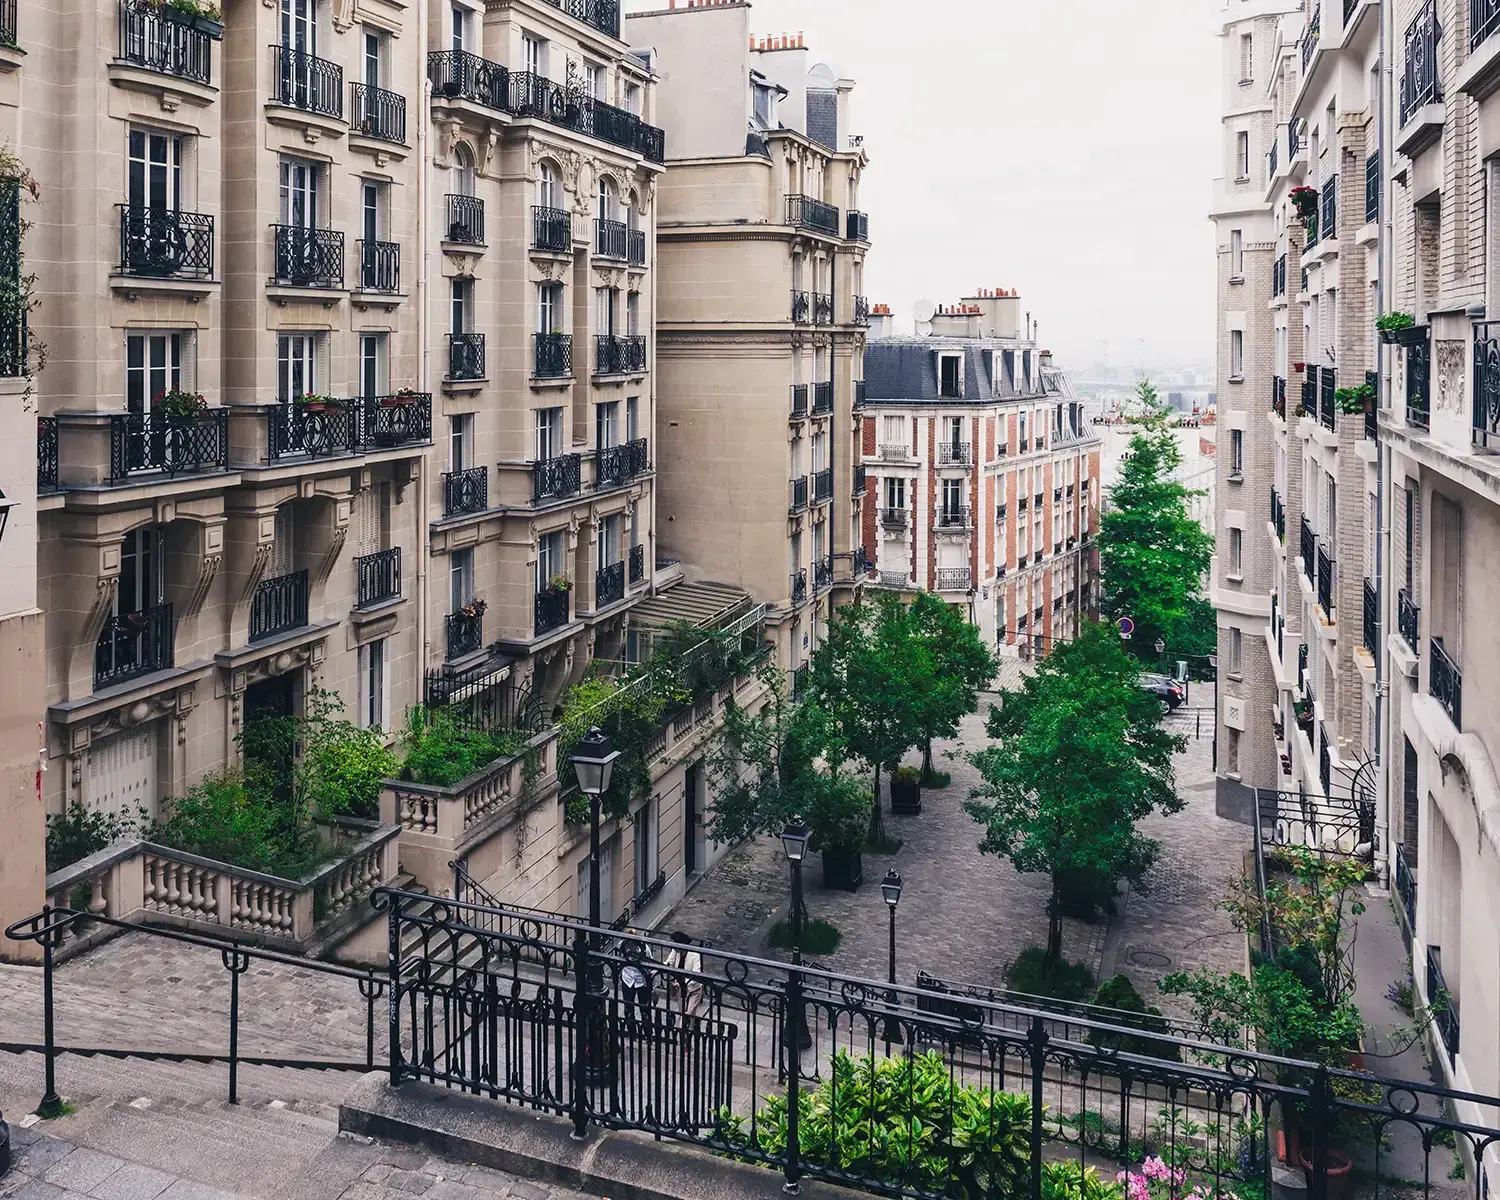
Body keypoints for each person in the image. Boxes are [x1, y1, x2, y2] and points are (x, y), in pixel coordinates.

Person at [662, 931, 704, 1016]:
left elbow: (696, 974)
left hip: (694, 988)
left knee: (689, 1013)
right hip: (681, 987)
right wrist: (659, 968)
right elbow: (669, 962)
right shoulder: (675, 951)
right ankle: (685, 1028)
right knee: (682, 1013)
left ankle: (690, 1027)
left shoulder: (695, 955)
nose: (673, 946)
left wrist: (684, 982)